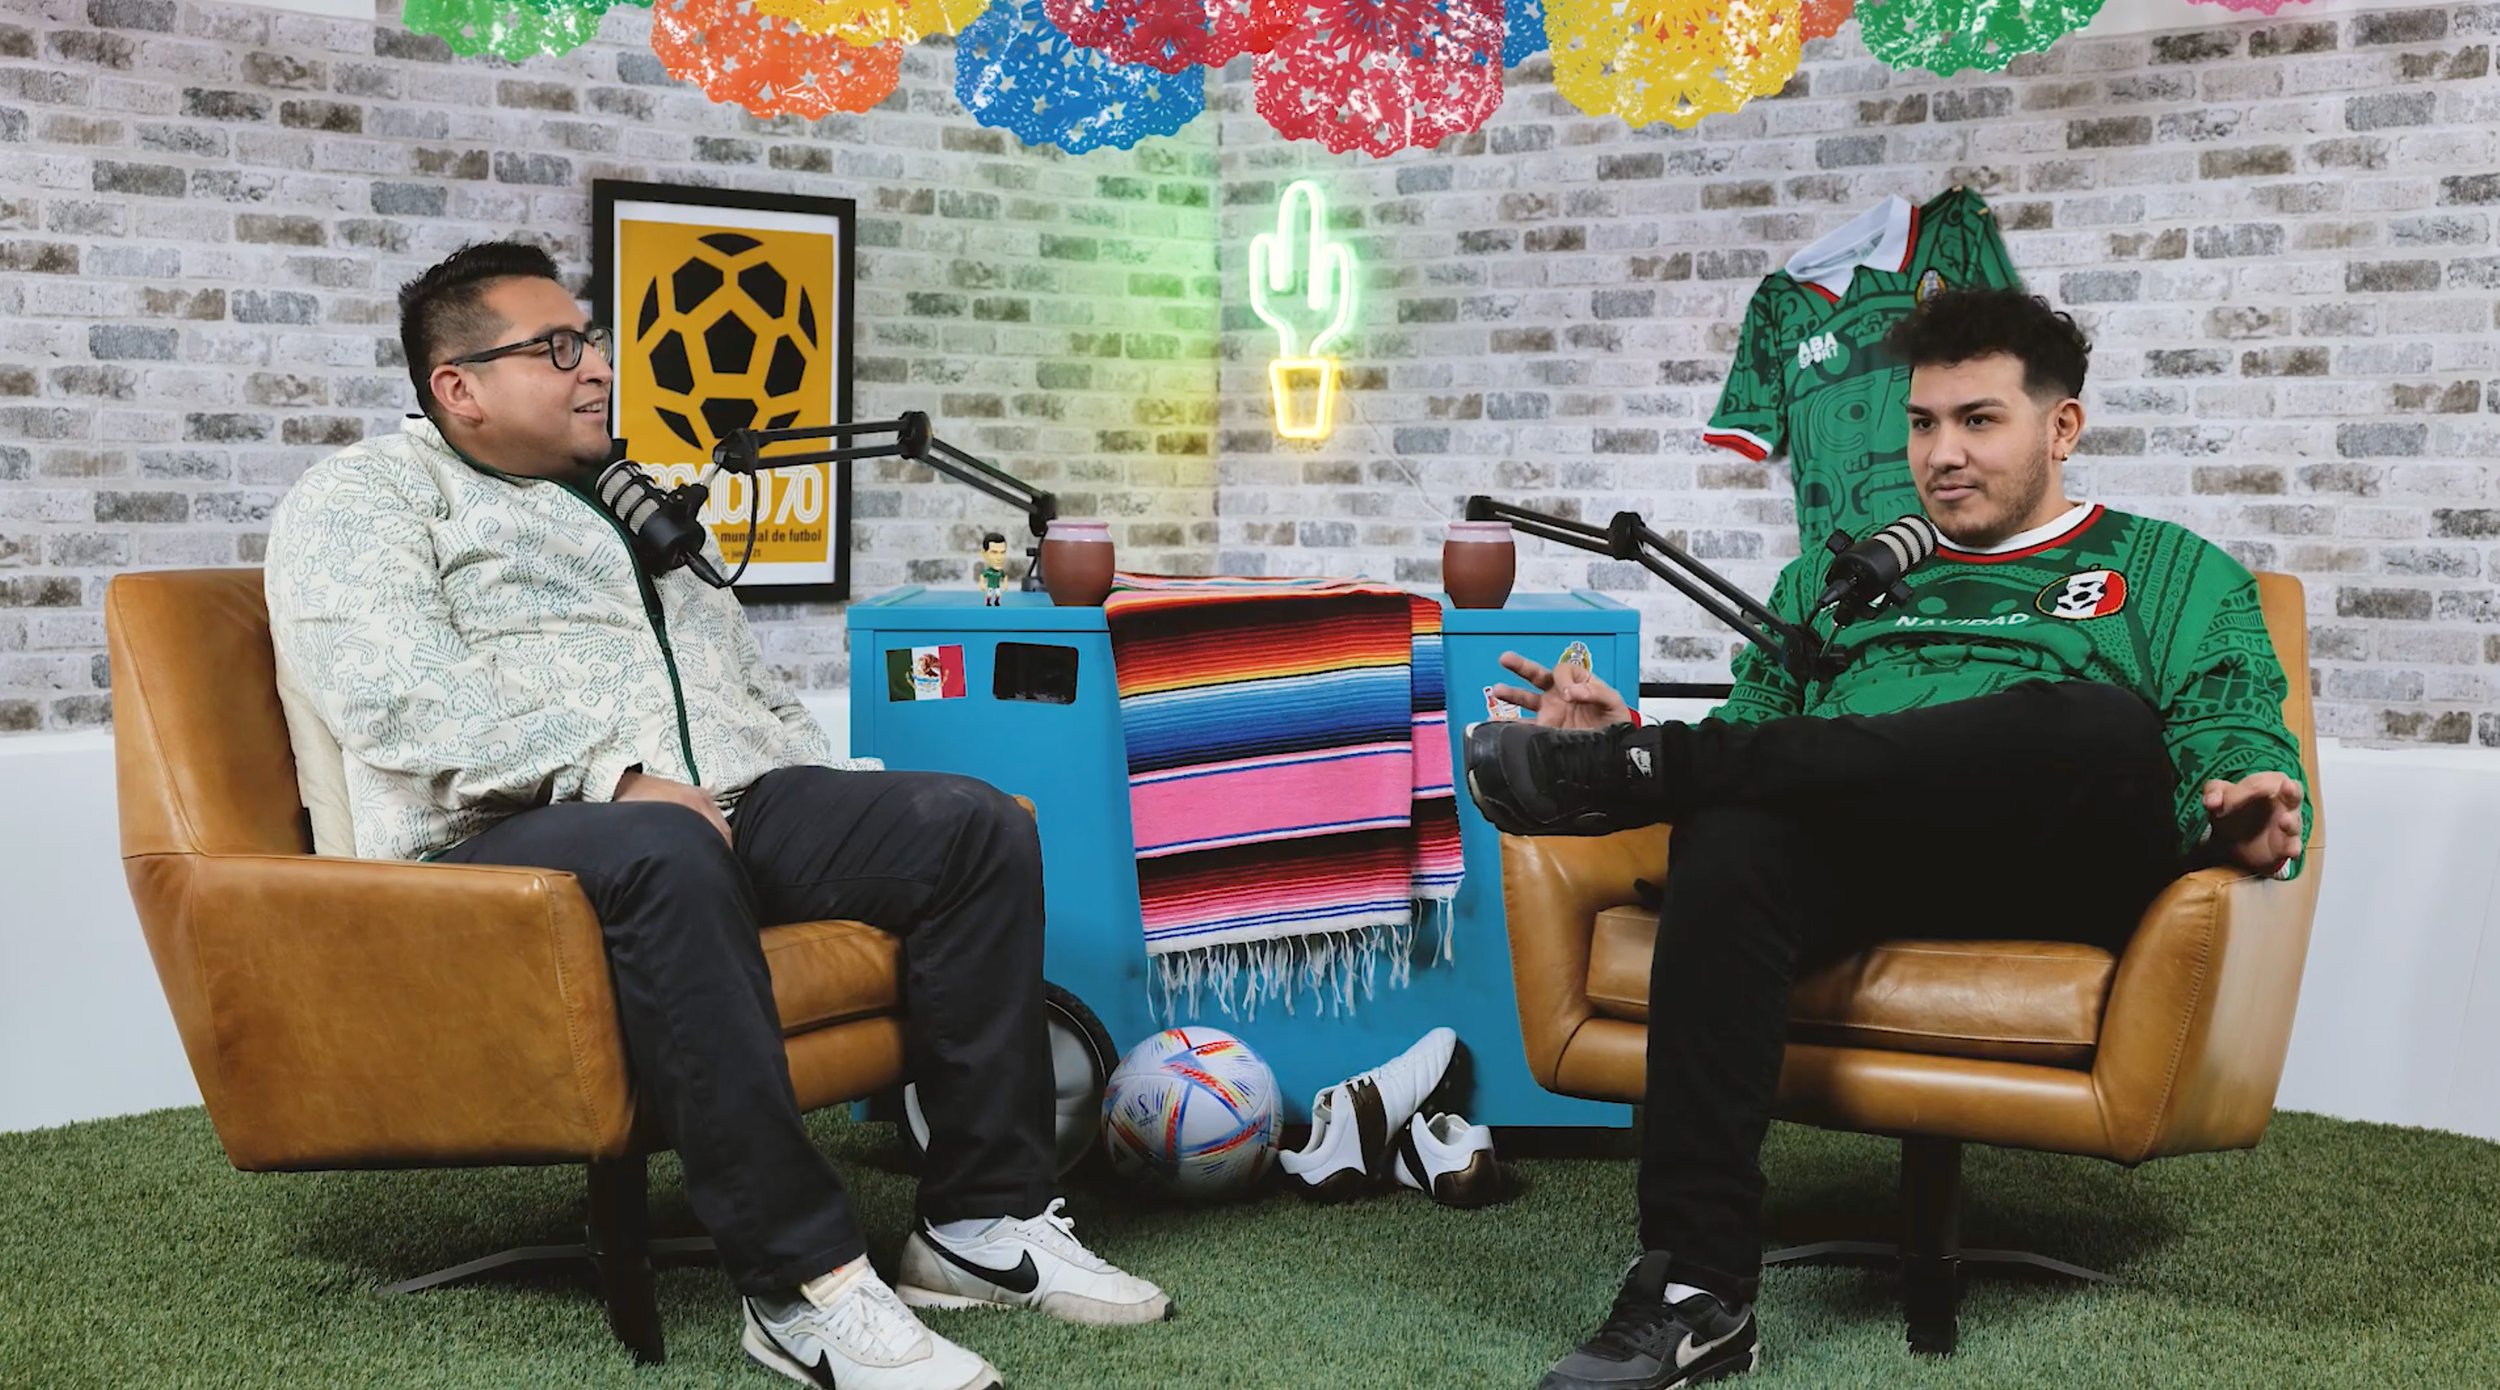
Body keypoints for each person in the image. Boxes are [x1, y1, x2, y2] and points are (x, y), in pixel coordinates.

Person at [264, 241, 1168, 1390]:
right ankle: (803, 1290)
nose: (594, 366)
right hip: (497, 839)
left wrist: (823, 790)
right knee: (667, 843)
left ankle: (979, 1225)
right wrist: (610, 772)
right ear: (460, 387)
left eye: (589, 339)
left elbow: (746, 684)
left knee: (969, 823)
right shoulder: (367, 498)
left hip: (711, 809)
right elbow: (397, 697)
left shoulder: (632, 502)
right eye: (556, 348)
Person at [1465, 288, 2308, 1390]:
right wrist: (1644, 736)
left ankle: (1648, 774)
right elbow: (1764, 744)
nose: (1941, 454)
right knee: (1731, 827)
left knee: (2088, 722)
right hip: (1866, 861)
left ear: (2061, 428)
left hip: (2056, 859)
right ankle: (1694, 1290)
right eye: (1922, 423)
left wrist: (2249, 801)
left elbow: (2230, 729)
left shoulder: (2170, 570)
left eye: (1977, 420)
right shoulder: (1835, 583)